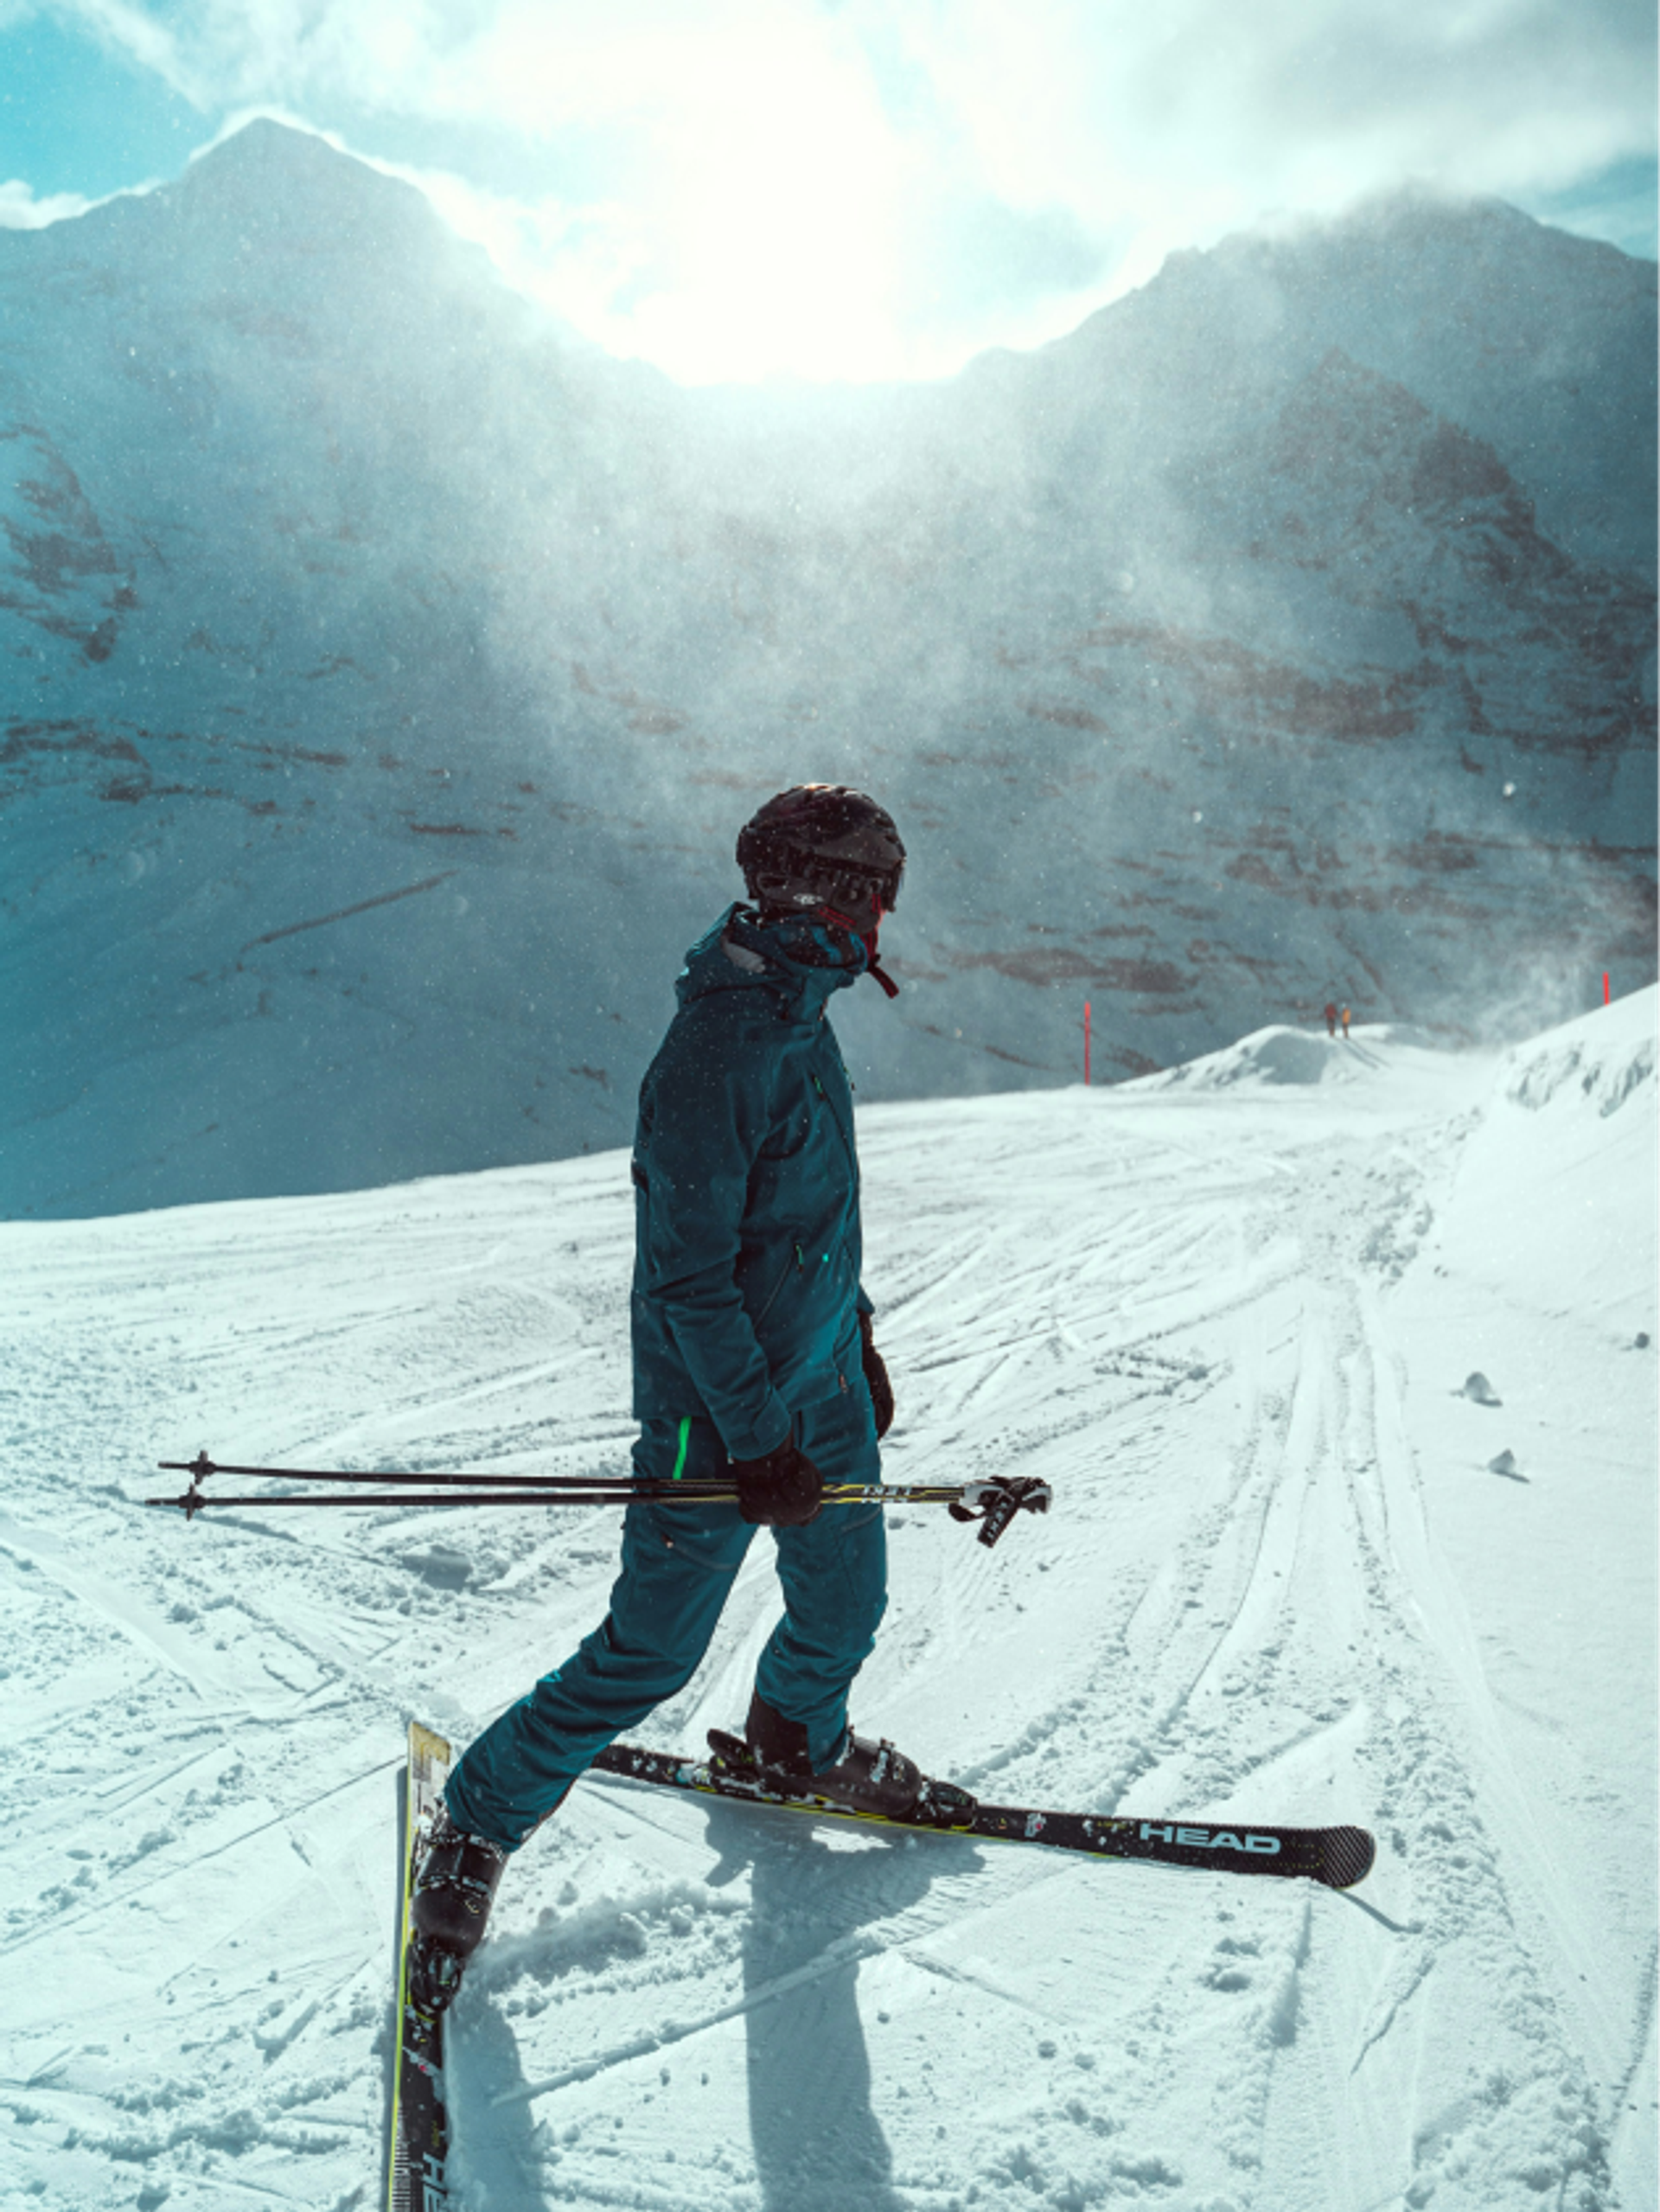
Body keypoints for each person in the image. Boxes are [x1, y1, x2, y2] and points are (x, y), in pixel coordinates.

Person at [408, 785, 920, 2009]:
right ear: (829, 896)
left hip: (818, 1385)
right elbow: (689, 1285)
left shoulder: (803, 1014)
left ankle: (797, 1738)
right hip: (715, 1417)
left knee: (847, 1597)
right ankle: (476, 1819)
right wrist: (755, 1444)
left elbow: (813, 1221)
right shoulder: (717, 1052)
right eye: (877, 894)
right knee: (648, 1654)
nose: (887, 921)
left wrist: (854, 1341)